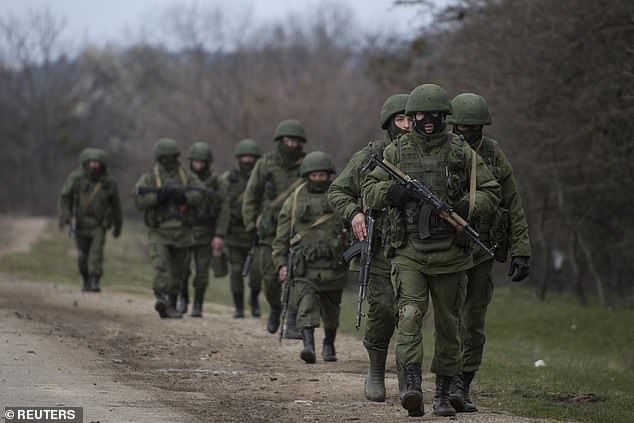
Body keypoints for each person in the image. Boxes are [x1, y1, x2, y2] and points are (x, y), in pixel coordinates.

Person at [362, 83, 500, 417]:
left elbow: (491, 191)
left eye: (435, 115)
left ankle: (441, 393)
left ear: (444, 117)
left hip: (452, 255)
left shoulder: (460, 151)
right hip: (409, 252)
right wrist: (392, 194)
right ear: (411, 117)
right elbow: (368, 188)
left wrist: (467, 205)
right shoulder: (396, 152)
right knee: (408, 315)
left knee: (449, 327)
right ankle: (410, 386)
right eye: (421, 115)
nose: (428, 121)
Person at [446, 92, 531, 412]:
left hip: (482, 249)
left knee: (473, 321)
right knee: (448, 319)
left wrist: (521, 251)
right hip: (447, 248)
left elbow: (513, 204)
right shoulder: (445, 151)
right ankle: (446, 380)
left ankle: (463, 384)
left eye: (473, 128)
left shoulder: (494, 155)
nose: (465, 134)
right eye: (460, 128)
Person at [327, 94, 411, 401]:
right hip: (379, 249)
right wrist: (355, 212)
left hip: (415, 248)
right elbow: (337, 191)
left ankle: (408, 379)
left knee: (410, 313)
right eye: (401, 120)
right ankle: (376, 370)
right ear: (389, 123)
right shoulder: (372, 155)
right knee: (384, 309)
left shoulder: (426, 158)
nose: (408, 125)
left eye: (411, 119)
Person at [272, 151, 349, 363]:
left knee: (332, 311)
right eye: (313, 175)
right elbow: (281, 236)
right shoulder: (295, 200)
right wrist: (280, 263)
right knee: (306, 304)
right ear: (307, 175)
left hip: (334, 266)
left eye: (322, 175)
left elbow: (353, 227)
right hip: (304, 268)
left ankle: (329, 343)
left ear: (328, 175)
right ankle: (308, 346)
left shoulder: (339, 197)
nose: (317, 179)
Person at [242, 119, 306, 338]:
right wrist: (251, 226)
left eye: (296, 141)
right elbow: (251, 197)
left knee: (297, 276)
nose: (292, 145)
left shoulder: (307, 165)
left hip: (298, 230)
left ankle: (292, 322)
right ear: (280, 141)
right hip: (269, 232)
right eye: (288, 140)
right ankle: (275, 307)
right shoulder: (265, 164)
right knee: (269, 279)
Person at [133, 138, 203, 319]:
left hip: (182, 231)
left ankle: (172, 303)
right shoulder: (150, 177)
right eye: (166, 157)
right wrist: (159, 197)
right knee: (161, 265)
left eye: (172, 157)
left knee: (179, 270)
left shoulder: (186, 176)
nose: (169, 160)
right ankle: (161, 298)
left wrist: (184, 196)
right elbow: (138, 199)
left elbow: (201, 194)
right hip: (159, 231)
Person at [58, 147, 123, 292]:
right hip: (80, 223)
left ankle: (95, 280)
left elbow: (116, 207)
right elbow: (65, 197)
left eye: (97, 163)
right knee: (82, 255)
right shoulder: (77, 178)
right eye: (91, 162)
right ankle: (85, 279)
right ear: (86, 163)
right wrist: (65, 216)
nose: (94, 166)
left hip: (99, 224)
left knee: (96, 252)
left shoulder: (108, 183)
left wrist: (118, 227)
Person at [214, 138, 263, 318]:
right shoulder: (228, 179)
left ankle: (255, 300)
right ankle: (238, 306)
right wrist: (219, 234)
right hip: (234, 234)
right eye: (245, 157)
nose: (248, 160)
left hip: (256, 234)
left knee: (257, 272)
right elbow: (222, 207)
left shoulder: (262, 179)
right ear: (239, 158)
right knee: (235, 271)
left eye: (251, 157)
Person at [177, 141, 220, 317]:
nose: (199, 165)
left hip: (206, 231)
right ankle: (183, 299)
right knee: (182, 269)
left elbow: (222, 209)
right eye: (196, 162)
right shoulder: (183, 178)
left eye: (202, 162)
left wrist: (219, 234)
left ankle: (198, 304)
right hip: (185, 230)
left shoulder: (215, 181)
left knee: (202, 272)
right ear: (191, 162)